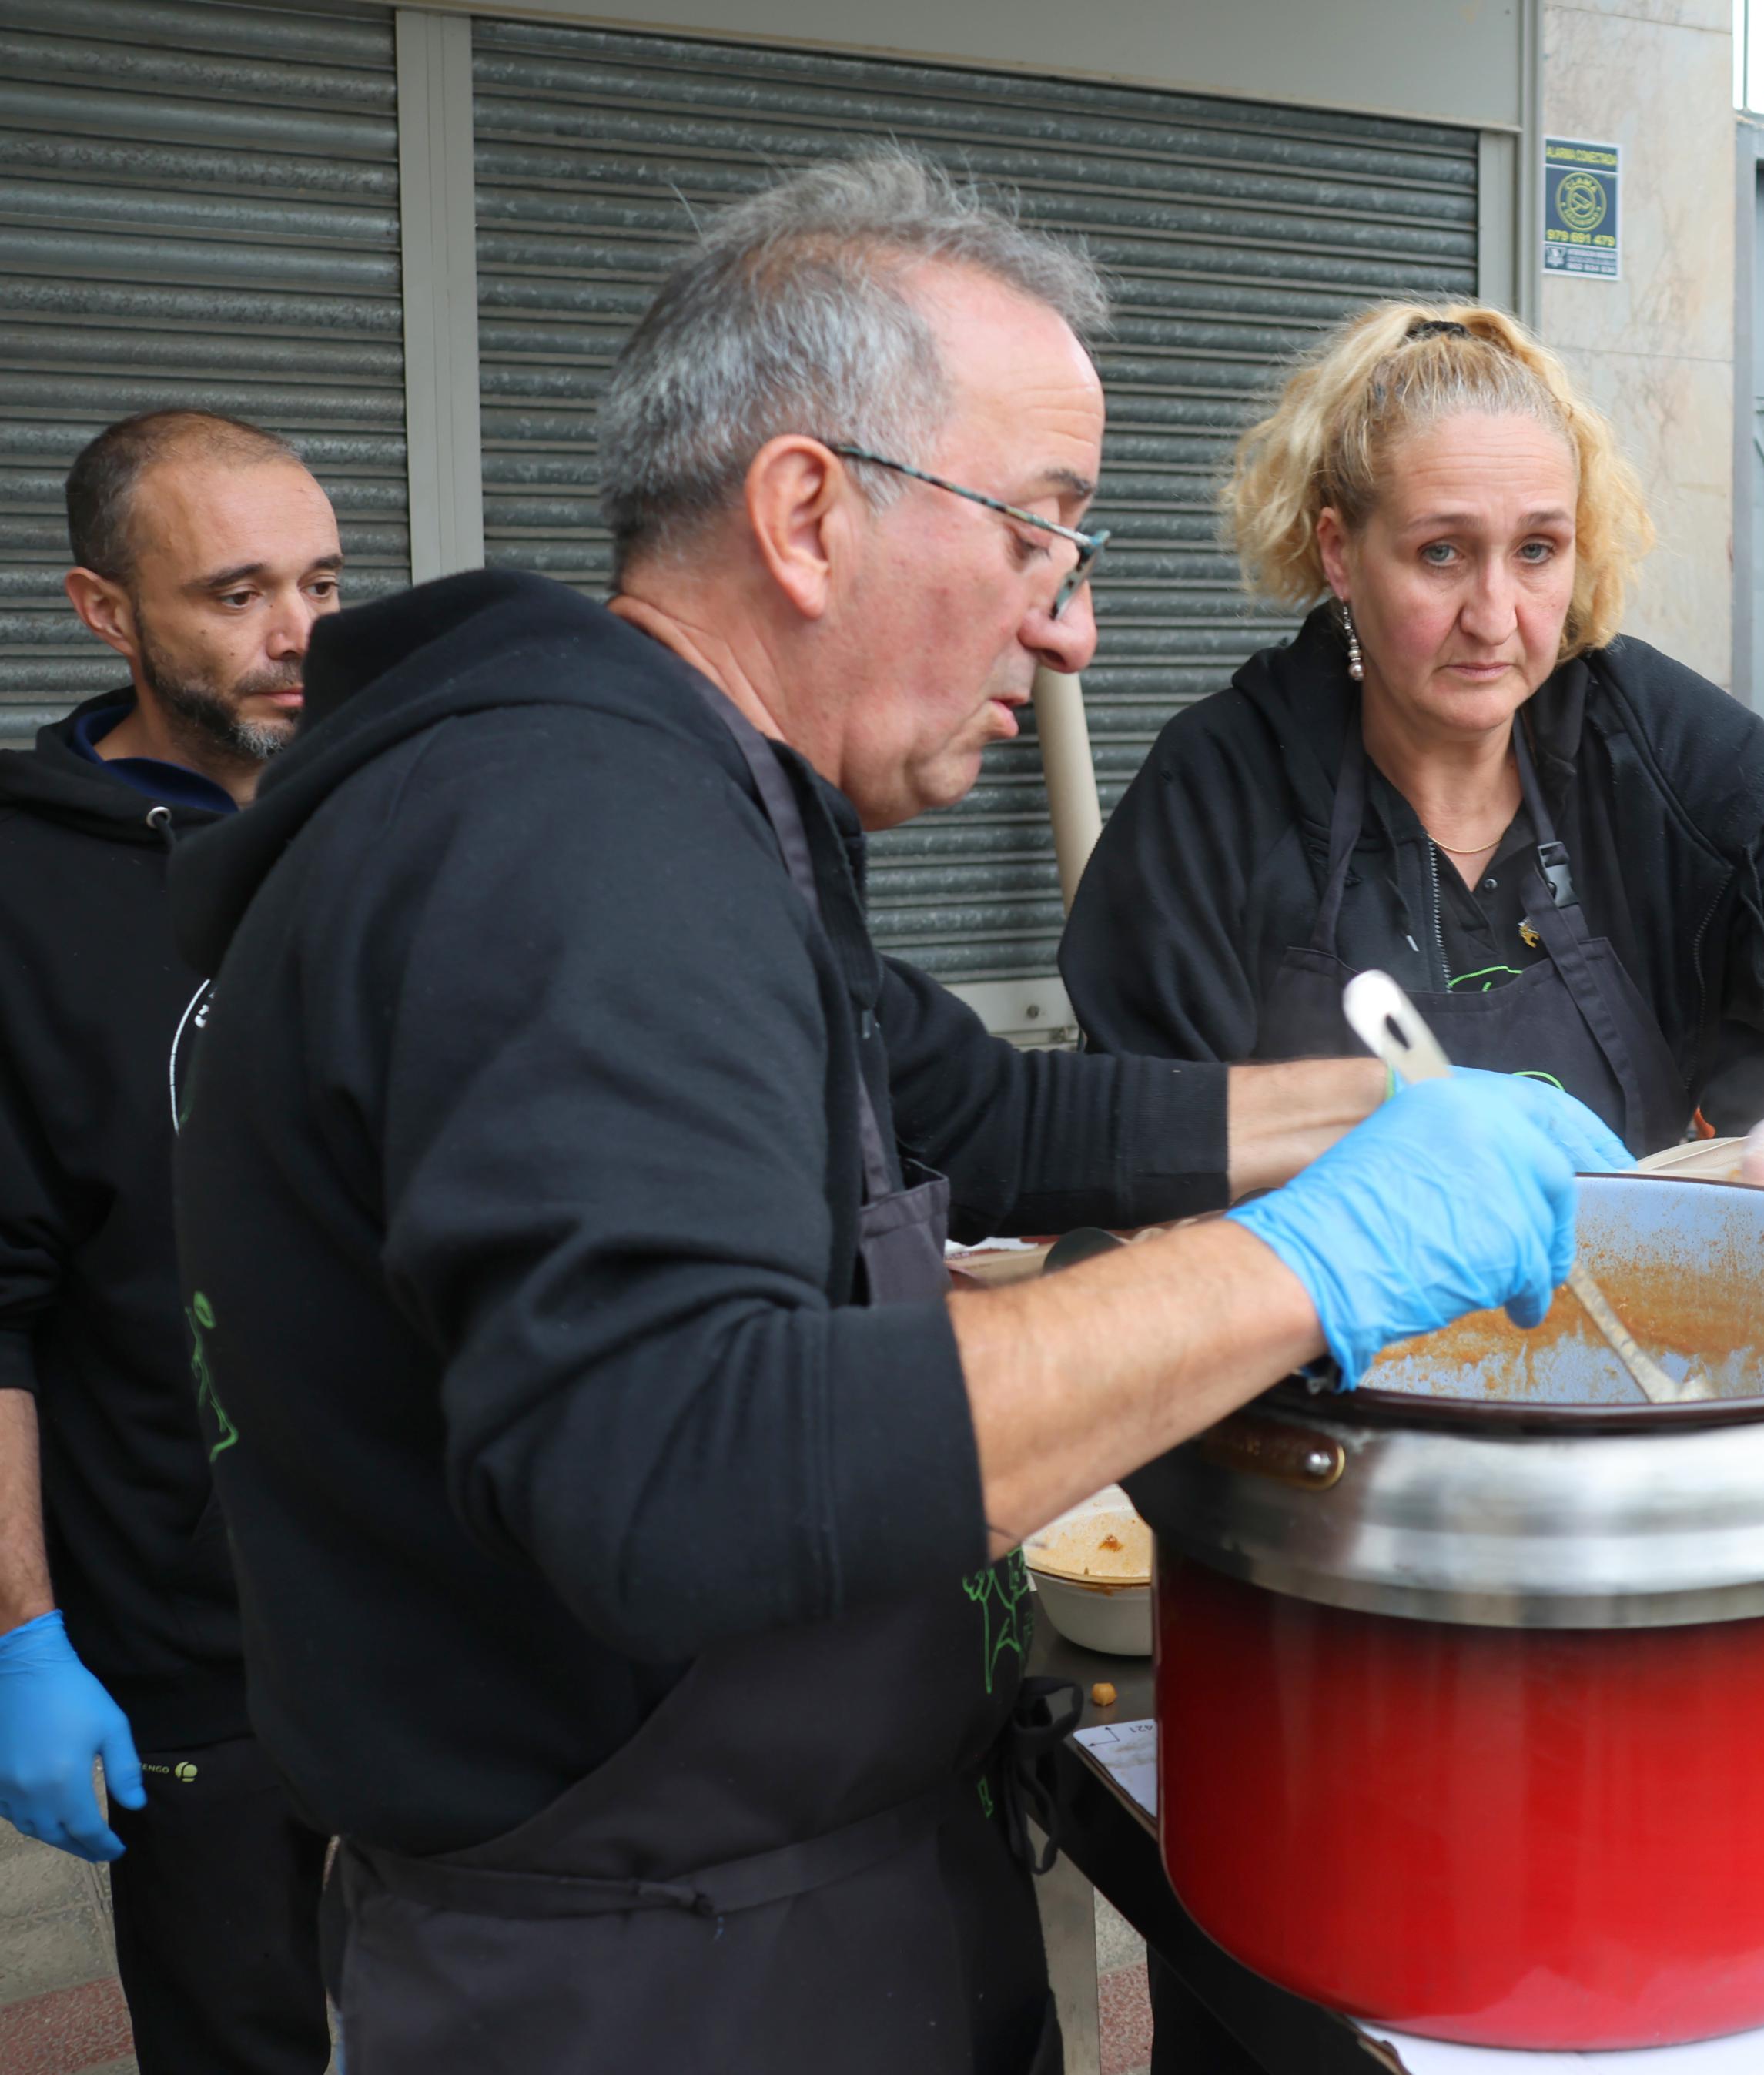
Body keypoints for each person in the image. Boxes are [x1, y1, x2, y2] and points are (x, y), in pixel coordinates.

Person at [163, 152, 1622, 2074]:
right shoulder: (572, 849)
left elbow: (986, 1110)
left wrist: (1407, 1102)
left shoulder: (702, 804)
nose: (1068, 626)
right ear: (806, 514)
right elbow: (674, 1467)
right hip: (652, 1981)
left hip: (788, 1891)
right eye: (1039, 534)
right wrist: (1322, 1256)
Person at [1057, 303, 1764, 1202]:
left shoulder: (1638, 732)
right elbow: (1139, 1148)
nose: (1495, 617)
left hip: (1624, 1311)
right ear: (1341, 553)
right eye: (1441, 552)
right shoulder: (1219, 786)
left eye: (1537, 551)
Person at [0, 411, 339, 2072]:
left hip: (438, 1596)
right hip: (182, 1638)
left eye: (325, 582)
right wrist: (22, 1637)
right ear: (104, 609)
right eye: (238, 591)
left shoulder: (377, 817)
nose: (300, 633)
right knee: (244, 2036)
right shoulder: (20, 886)